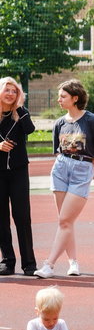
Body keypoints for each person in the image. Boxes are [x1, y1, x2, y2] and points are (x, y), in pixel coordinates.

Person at [34, 80, 94, 279]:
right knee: (66, 221)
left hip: (82, 168)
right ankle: (73, 262)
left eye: (63, 96)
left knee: (65, 220)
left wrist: (88, 167)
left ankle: (49, 265)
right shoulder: (60, 123)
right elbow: (58, 151)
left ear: (75, 98)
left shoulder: (92, 121)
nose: (59, 99)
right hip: (61, 168)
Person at [0, 77, 37, 276]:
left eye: (14, 91)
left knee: (22, 216)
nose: (11, 94)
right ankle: (7, 261)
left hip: (19, 172)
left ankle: (29, 264)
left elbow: (30, 130)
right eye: (7, 90)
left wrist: (20, 110)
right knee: (1, 218)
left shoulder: (21, 114)